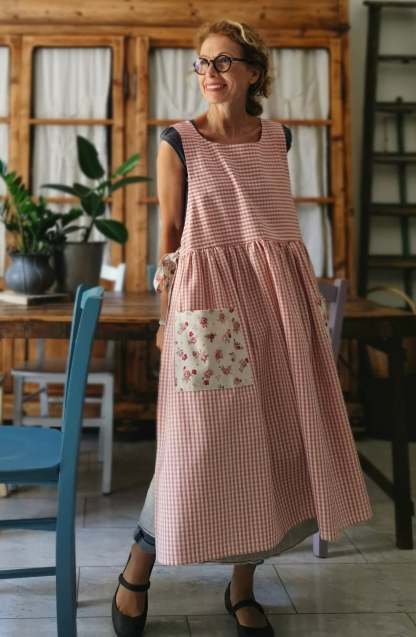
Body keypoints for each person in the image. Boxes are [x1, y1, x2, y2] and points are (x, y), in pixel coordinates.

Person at [112, 18, 373, 637]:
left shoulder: (278, 139)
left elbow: (275, 232)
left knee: (272, 443)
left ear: (254, 72)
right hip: (208, 311)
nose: (210, 73)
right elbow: (171, 238)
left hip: (279, 310)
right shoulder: (178, 142)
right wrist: (166, 319)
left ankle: (243, 587)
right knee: (196, 450)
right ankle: (137, 571)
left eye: (223, 62)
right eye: (203, 63)